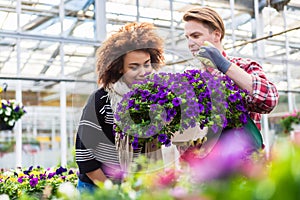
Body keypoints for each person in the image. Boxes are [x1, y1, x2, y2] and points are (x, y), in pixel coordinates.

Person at [75, 22, 165, 192]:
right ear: (118, 69)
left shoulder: (153, 99)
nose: (143, 71)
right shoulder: (101, 100)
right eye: (134, 67)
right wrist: (115, 192)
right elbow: (85, 158)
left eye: (146, 64)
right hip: (97, 188)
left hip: (134, 188)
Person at [180, 6, 279, 153]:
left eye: (195, 36)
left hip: (245, 165)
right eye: (187, 37)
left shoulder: (245, 67)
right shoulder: (190, 80)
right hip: (205, 168)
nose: (190, 43)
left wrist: (225, 66)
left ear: (216, 35)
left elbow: (269, 100)